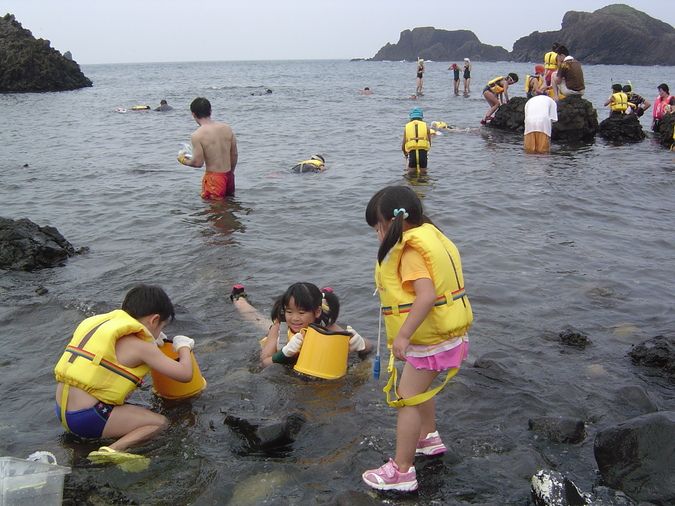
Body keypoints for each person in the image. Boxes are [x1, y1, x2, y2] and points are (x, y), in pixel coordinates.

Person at [361, 186, 473, 492]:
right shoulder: (430, 235)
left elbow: (426, 296)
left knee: (405, 398)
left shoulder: (409, 252)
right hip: (447, 336)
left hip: (431, 341)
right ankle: (428, 437)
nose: (377, 235)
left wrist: (405, 335)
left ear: (391, 224)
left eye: (377, 228)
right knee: (421, 390)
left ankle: (402, 471)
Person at [54, 284, 195, 461]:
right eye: (161, 327)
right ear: (154, 320)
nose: (159, 333)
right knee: (159, 423)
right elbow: (185, 374)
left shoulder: (99, 325)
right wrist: (183, 347)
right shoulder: (141, 347)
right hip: (87, 418)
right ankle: (111, 451)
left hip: (62, 411)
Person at [230, 282, 372, 368]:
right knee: (256, 318)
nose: (295, 318)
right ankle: (238, 298)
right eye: (290, 311)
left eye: (302, 313)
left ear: (316, 312)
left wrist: (360, 343)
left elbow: (368, 346)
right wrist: (284, 353)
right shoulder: (280, 327)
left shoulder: (326, 327)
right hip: (279, 339)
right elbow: (264, 362)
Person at [178, 97, 238, 200]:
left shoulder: (197, 135)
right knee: (229, 205)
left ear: (193, 114)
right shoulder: (227, 128)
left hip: (214, 178)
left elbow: (198, 163)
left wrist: (182, 160)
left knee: (215, 212)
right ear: (210, 111)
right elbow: (234, 154)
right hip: (229, 176)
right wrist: (231, 172)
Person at [402, 108, 431, 176]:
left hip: (412, 154)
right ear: (421, 117)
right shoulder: (426, 126)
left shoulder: (407, 127)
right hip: (423, 154)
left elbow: (403, 145)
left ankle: (412, 186)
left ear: (411, 117)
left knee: (411, 175)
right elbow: (429, 143)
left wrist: (405, 154)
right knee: (423, 175)